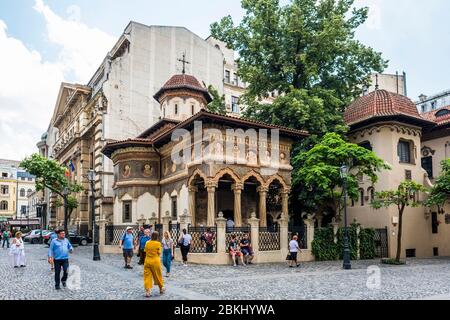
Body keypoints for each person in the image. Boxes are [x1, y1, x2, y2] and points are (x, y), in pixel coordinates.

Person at [143, 231, 165, 297]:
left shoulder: (147, 243)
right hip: (155, 261)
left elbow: (145, 251)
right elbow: (159, 253)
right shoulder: (158, 243)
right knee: (158, 275)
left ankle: (148, 292)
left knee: (147, 277)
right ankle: (161, 288)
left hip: (147, 261)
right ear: (158, 237)